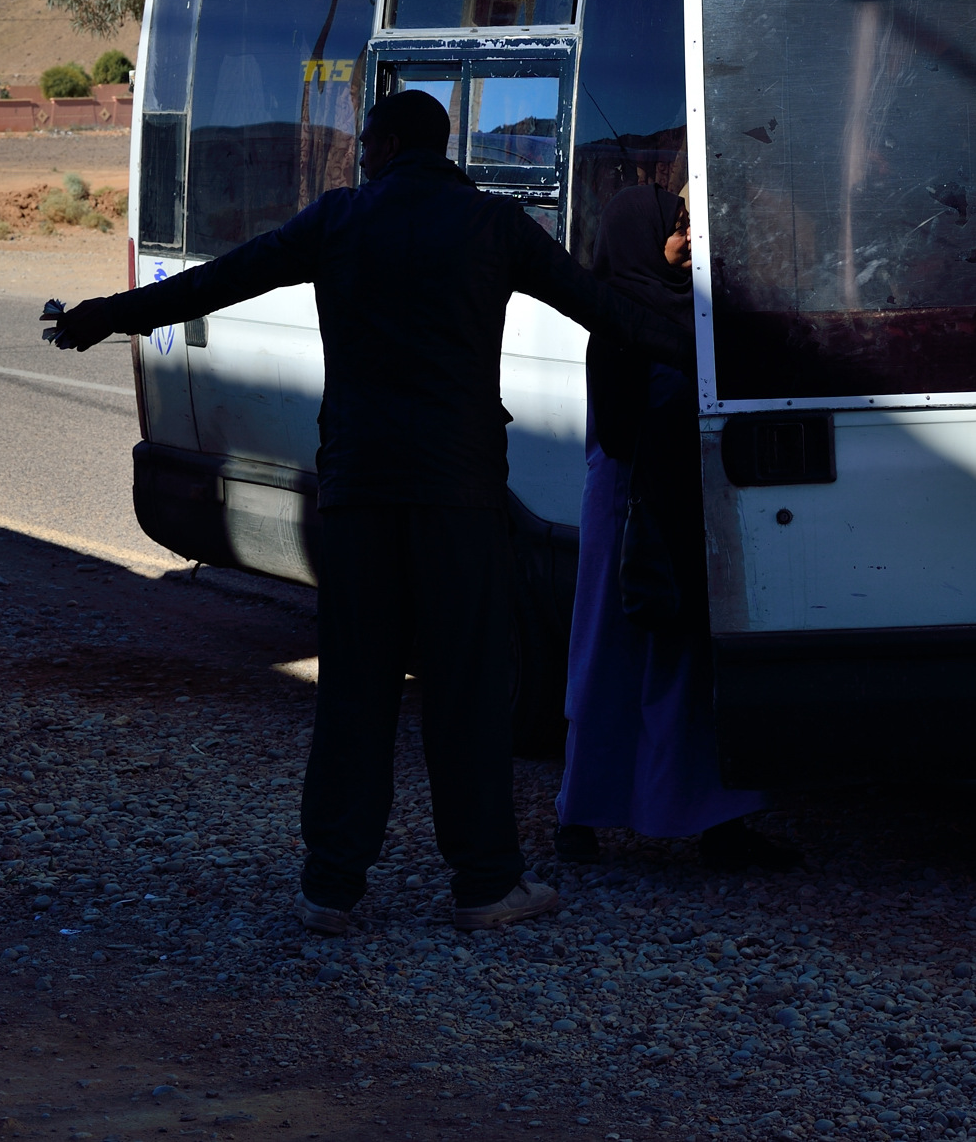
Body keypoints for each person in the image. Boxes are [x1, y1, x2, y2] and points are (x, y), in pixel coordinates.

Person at [43, 90, 698, 934]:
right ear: (441, 146)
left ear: (384, 145)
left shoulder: (339, 220)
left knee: (355, 686)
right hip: (460, 496)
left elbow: (219, 280)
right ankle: (485, 882)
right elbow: (607, 311)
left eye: (364, 143)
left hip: (357, 491)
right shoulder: (493, 225)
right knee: (468, 687)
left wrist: (101, 317)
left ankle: (332, 883)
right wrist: (736, 353)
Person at [551, 185, 798, 872]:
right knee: (612, 657)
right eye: (677, 226)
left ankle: (713, 820)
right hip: (630, 506)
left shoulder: (695, 309)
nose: (688, 238)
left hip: (678, 502)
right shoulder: (622, 314)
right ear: (637, 238)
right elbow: (624, 426)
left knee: (687, 661)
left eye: (690, 225)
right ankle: (582, 812)